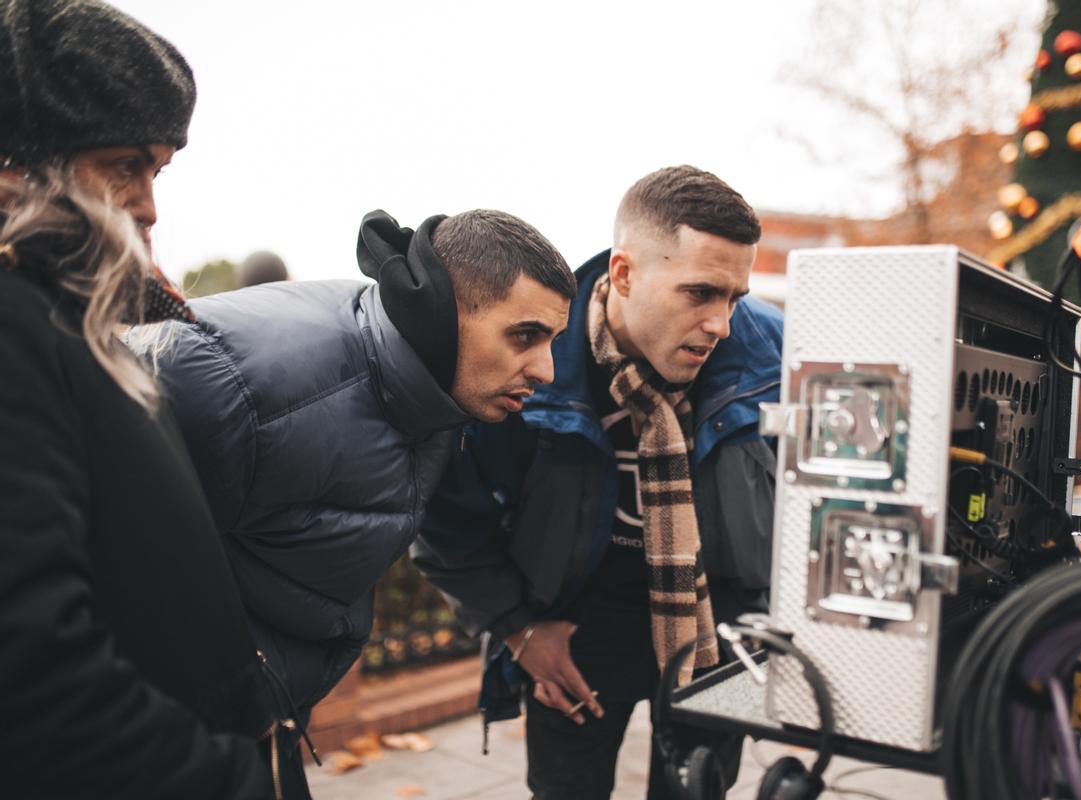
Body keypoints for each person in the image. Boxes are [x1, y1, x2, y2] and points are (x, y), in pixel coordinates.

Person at [141, 205, 576, 791]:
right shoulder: (236, 382)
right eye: (525, 335)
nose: (546, 369)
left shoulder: (437, 390)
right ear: (443, 313)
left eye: (553, 341)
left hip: (258, 719)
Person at [0, 0, 293, 796]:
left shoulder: (63, 314)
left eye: (157, 170)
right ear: (17, 166)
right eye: (124, 164)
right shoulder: (14, 326)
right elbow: (30, 668)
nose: (149, 205)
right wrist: (225, 777)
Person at [414, 165, 783, 798]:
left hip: (722, 629)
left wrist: (765, 629)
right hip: (575, 627)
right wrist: (518, 627)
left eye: (734, 298)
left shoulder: (774, 352)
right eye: (699, 293)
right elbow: (446, 517)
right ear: (623, 274)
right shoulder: (527, 355)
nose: (720, 323)